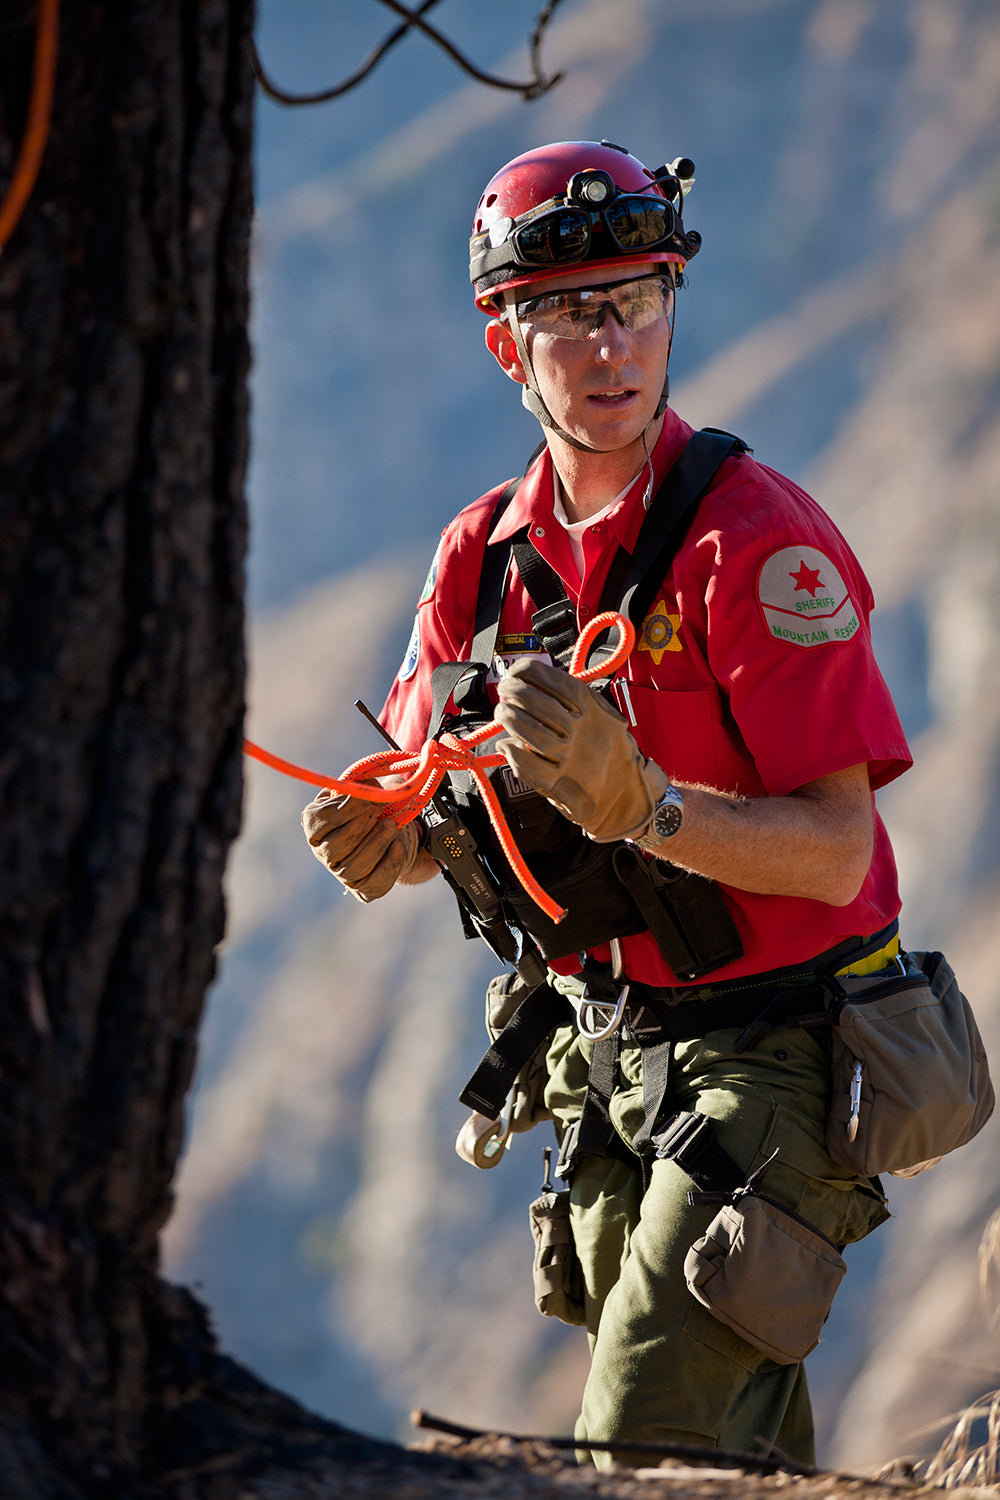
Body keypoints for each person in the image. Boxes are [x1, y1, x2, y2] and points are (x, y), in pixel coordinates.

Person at [301, 140, 912, 1467]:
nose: (612, 341)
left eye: (637, 298)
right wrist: (388, 845)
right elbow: (421, 798)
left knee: (640, 1442)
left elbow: (841, 852)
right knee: (722, 1448)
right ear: (505, 346)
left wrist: (650, 810)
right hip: (602, 1054)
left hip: (774, 1054)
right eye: (572, 311)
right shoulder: (480, 560)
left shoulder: (753, 542)